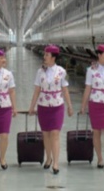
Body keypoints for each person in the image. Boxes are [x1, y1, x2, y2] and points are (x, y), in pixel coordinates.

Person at [28, 44, 73, 175]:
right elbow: (37, 90)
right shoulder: (40, 71)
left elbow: (65, 89)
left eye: (47, 55)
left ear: (53, 57)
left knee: (55, 134)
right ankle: (48, 157)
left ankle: (56, 163)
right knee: (46, 134)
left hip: (57, 106)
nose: (44, 57)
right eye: (45, 55)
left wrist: (69, 106)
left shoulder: (61, 71)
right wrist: (32, 106)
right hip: (43, 106)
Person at [81, 44, 104, 170]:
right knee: (96, 131)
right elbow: (88, 88)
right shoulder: (91, 70)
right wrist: (83, 105)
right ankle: (100, 159)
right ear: (99, 55)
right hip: (95, 102)